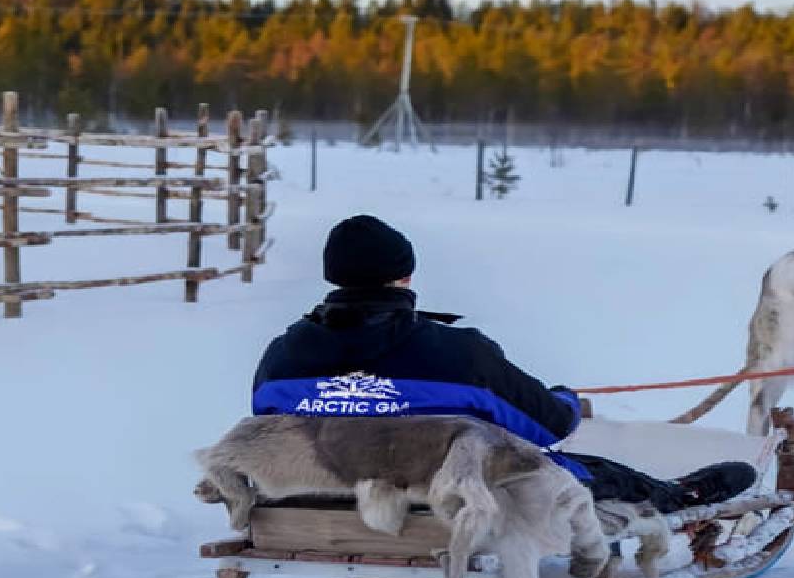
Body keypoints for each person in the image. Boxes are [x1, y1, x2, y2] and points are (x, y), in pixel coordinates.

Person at [251, 214, 755, 514]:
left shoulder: (281, 358)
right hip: (446, 499)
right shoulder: (458, 354)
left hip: (319, 497)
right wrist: (562, 400)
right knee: (580, 470)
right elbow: (551, 427)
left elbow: (268, 432)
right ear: (403, 277)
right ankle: (676, 498)